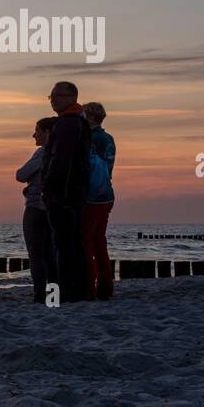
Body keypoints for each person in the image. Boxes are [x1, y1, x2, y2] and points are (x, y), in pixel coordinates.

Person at [40, 81, 92, 303]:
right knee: (73, 243)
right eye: (50, 96)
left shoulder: (68, 124)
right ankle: (81, 292)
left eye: (57, 96)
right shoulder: (77, 122)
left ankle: (67, 293)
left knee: (63, 244)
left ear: (71, 97)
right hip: (73, 192)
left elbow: (62, 160)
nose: (52, 99)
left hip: (64, 194)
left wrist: (49, 187)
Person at [17, 117, 58, 302]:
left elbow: (21, 174)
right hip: (55, 207)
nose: (34, 135)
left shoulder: (43, 152)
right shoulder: (63, 152)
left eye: (37, 131)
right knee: (51, 254)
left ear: (48, 133)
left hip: (36, 207)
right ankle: (54, 296)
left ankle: (40, 296)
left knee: (36, 255)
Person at [82, 102, 116, 299]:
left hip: (91, 196)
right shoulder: (108, 138)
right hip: (107, 194)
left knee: (86, 242)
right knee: (99, 242)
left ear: (91, 117)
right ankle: (106, 285)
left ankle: (91, 286)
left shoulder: (90, 138)